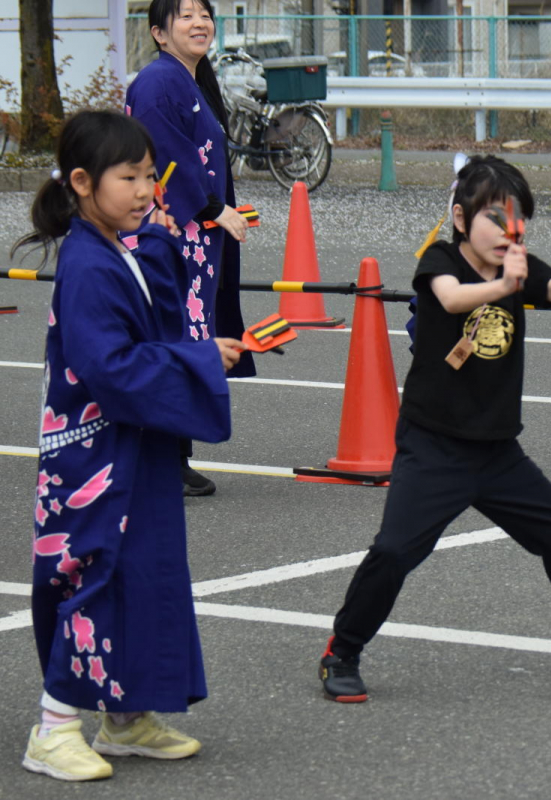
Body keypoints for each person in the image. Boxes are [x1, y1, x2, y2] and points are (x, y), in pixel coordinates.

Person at [317, 156, 551, 702]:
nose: (508, 231)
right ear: (460, 217)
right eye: (494, 219)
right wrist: (505, 285)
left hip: (498, 451)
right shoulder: (441, 259)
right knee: (394, 551)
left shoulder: (519, 264)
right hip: (433, 446)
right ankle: (342, 651)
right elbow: (451, 298)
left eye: (517, 218)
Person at [16, 111, 243, 781]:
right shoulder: (89, 263)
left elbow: (158, 324)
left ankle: (125, 713)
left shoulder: (117, 245)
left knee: (147, 569)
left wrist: (162, 251)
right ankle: (55, 726)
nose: (146, 189)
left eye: (149, 175)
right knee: (96, 572)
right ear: (83, 183)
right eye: (130, 177)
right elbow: (111, 368)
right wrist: (200, 363)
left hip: (126, 444)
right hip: (93, 454)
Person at [126, 0, 255, 497]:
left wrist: (219, 212)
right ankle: (162, 456)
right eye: (185, 16)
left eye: (205, 13)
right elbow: (163, 157)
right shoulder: (159, 82)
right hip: (170, 236)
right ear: (160, 33)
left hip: (194, 239)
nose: (199, 23)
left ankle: (170, 453)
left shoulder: (193, 79)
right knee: (171, 334)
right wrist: (210, 208)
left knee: (185, 334)